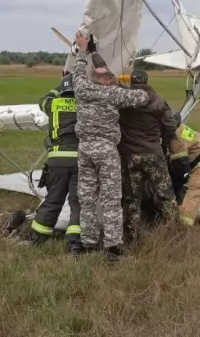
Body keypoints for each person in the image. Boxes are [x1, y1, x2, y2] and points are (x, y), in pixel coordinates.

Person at [69, 30, 151, 260]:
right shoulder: (113, 94)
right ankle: (113, 247)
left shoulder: (82, 89)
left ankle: (87, 243)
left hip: (85, 150)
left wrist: (86, 51)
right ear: (106, 82)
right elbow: (141, 98)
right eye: (108, 77)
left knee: (87, 199)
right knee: (111, 199)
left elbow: (78, 71)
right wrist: (128, 84)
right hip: (106, 151)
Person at [118, 68, 180, 244]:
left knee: (131, 198)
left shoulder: (123, 100)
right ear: (147, 81)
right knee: (165, 195)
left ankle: (131, 237)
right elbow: (170, 125)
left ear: (131, 82)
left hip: (130, 156)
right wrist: (164, 145)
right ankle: (175, 233)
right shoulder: (159, 100)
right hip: (153, 154)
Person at [31, 74, 82, 254]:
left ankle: (38, 237)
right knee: (78, 202)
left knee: (53, 200)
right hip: (79, 161)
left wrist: (58, 87)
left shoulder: (53, 104)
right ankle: (74, 242)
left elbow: (42, 100)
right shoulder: (84, 106)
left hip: (57, 160)